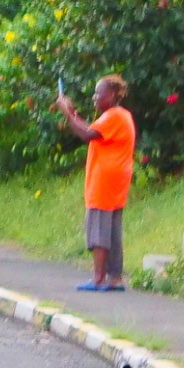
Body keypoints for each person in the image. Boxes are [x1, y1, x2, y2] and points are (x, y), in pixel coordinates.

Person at [56, 75, 136, 291]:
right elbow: (91, 130)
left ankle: (98, 278)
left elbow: (86, 134)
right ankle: (114, 278)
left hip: (104, 182)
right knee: (112, 232)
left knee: (99, 231)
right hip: (116, 180)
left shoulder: (113, 116)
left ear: (111, 95)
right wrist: (72, 113)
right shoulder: (120, 115)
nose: (94, 97)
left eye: (98, 93)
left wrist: (67, 114)